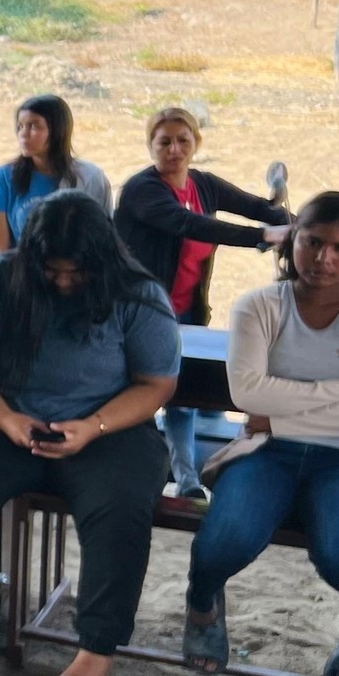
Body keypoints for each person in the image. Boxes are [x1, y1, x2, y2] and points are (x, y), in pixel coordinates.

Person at [0, 192, 177, 676]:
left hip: (109, 429)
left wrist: (94, 426)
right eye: (51, 271)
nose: (62, 282)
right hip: (13, 420)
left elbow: (157, 383)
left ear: (101, 261)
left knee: (121, 511)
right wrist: (4, 418)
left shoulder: (138, 292)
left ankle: (93, 658)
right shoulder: (4, 277)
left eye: (75, 273)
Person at [182, 192, 339, 676]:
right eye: (312, 242)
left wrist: (280, 419)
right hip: (264, 453)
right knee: (225, 538)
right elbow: (248, 393)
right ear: (293, 240)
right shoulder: (259, 307)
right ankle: (202, 605)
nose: (324, 258)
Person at [115, 105, 291, 502]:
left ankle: (187, 477)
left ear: (196, 143)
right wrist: (263, 235)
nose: (174, 149)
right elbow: (192, 225)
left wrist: (296, 222)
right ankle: (149, 474)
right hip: (141, 314)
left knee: (184, 396)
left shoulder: (203, 184)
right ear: (150, 146)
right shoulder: (142, 190)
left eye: (183, 140)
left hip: (188, 311)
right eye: (164, 142)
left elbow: (261, 208)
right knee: (147, 393)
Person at [0, 94, 112, 252]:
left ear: (58, 130)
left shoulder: (90, 177)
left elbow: (105, 238)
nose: (24, 134)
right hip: (23, 266)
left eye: (34, 126)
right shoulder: (3, 178)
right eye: (20, 126)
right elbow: (0, 251)